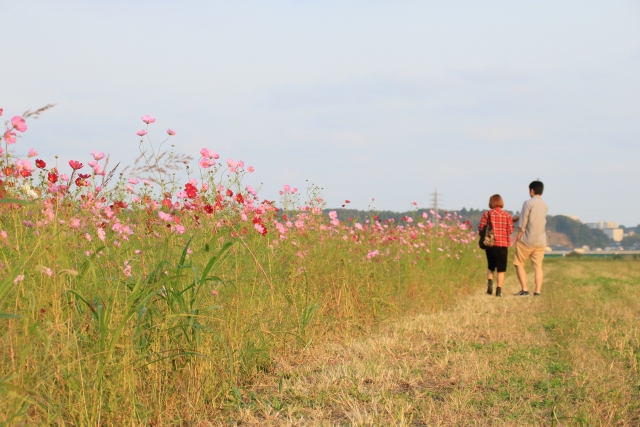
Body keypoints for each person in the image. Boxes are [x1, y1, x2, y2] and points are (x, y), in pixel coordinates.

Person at [513, 180, 548, 296]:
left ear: (532, 190)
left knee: (519, 263)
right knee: (538, 266)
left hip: (527, 239)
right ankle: (537, 291)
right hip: (541, 240)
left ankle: (525, 289)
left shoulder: (528, 203)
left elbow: (523, 221)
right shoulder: (544, 205)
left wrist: (519, 233)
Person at [478, 194, 514, 297]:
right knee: (501, 269)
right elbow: (511, 230)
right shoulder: (507, 215)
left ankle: (490, 285)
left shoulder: (487, 214)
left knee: (490, 266)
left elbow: (481, 228)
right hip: (503, 245)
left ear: (491, 202)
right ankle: (498, 291)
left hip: (491, 245)